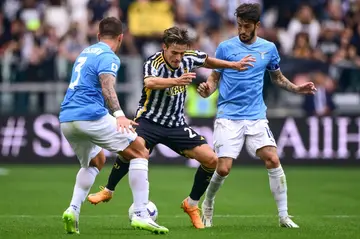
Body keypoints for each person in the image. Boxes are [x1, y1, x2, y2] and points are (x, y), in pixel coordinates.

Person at [87, 26, 255, 229]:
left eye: (182, 53)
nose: (178, 58)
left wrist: (234, 65)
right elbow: (150, 82)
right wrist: (176, 80)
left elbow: (208, 60)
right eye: (174, 53)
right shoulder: (154, 61)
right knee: (133, 150)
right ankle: (109, 190)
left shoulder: (189, 58)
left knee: (211, 160)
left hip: (176, 124)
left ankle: (191, 204)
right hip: (148, 120)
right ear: (164, 47)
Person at [197, 3, 317, 228]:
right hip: (228, 115)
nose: (242, 30)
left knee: (272, 158)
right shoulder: (225, 47)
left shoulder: (269, 48)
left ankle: (283, 216)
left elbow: (277, 78)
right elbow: (214, 78)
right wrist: (207, 89)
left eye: (247, 26)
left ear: (257, 26)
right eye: (239, 25)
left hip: (256, 116)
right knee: (223, 168)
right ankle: (209, 202)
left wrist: (298, 89)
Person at [59, 17, 169, 235]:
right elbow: (107, 85)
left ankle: (73, 209)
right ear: (121, 38)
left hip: (67, 119)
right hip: (90, 115)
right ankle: (140, 214)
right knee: (140, 150)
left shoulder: (86, 52)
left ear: (99, 36)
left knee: (96, 160)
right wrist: (118, 114)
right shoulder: (109, 56)